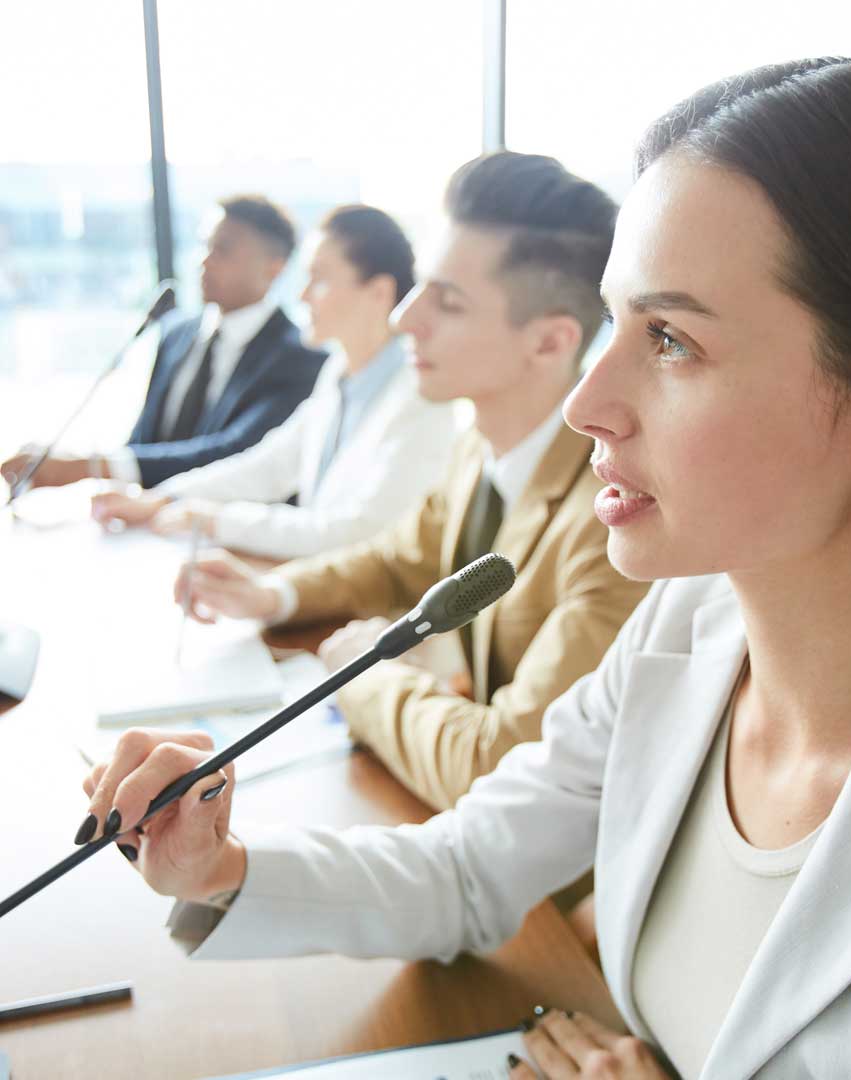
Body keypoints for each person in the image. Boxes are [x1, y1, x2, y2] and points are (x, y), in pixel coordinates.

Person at [77, 58, 851, 1079]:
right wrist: (219, 866)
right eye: (615, 322)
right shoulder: (686, 626)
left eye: (674, 340)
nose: (585, 402)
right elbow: (470, 869)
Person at [155, 151, 650, 810]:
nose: (404, 318)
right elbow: (399, 560)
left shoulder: (609, 522)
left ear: (551, 342)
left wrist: (363, 675)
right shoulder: (481, 442)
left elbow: (498, 764)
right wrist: (272, 595)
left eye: (445, 302)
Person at [87, 205, 458, 561]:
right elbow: (269, 465)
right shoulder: (340, 373)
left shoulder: (421, 396)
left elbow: (359, 531)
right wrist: (166, 500)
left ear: (378, 292)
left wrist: (212, 519)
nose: (302, 295)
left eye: (320, 280)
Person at [1, 195, 326, 491]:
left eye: (223, 250)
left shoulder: (301, 357)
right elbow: (143, 440)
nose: (204, 261)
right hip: (144, 524)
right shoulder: (176, 333)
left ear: (275, 267)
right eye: (204, 245)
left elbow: (238, 455)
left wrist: (91, 466)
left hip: (227, 537)